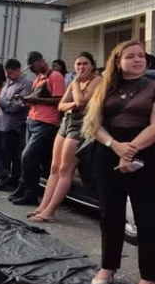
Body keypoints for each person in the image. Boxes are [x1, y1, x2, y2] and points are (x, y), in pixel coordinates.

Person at [82, 40, 155, 284]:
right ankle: (108, 267)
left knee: (149, 219)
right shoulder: (105, 86)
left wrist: (129, 149)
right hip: (107, 151)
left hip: (146, 153)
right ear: (117, 61)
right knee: (110, 214)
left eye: (141, 56)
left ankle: (148, 277)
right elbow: (93, 124)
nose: (137, 60)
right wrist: (114, 146)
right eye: (130, 56)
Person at [28, 52, 101, 222]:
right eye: (78, 64)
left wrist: (75, 85)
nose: (81, 67)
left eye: (85, 64)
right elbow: (61, 105)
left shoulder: (96, 81)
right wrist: (75, 103)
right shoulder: (76, 82)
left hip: (81, 125)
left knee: (65, 169)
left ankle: (50, 212)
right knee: (54, 167)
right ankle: (42, 207)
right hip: (66, 122)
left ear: (92, 65)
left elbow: (82, 102)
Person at [9, 51, 66, 206]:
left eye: (33, 65)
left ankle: (31, 194)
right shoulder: (39, 78)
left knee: (28, 157)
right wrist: (27, 100)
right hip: (33, 120)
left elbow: (59, 100)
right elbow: (37, 99)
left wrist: (36, 99)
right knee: (26, 158)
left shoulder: (55, 76)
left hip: (46, 123)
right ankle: (23, 188)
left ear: (41, 61)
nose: (32, 69)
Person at [0, 59, 31, 191]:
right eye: (7, 73)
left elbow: (19, 105)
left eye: (10, 73)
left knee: (6, 154)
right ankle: (2, 174)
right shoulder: (8, 82)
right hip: (0, 123)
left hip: (12, 125)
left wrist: (1, 102)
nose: (8, 76)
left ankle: (3, 179)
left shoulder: (26, 84)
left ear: (18, 70)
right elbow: (3, 97)